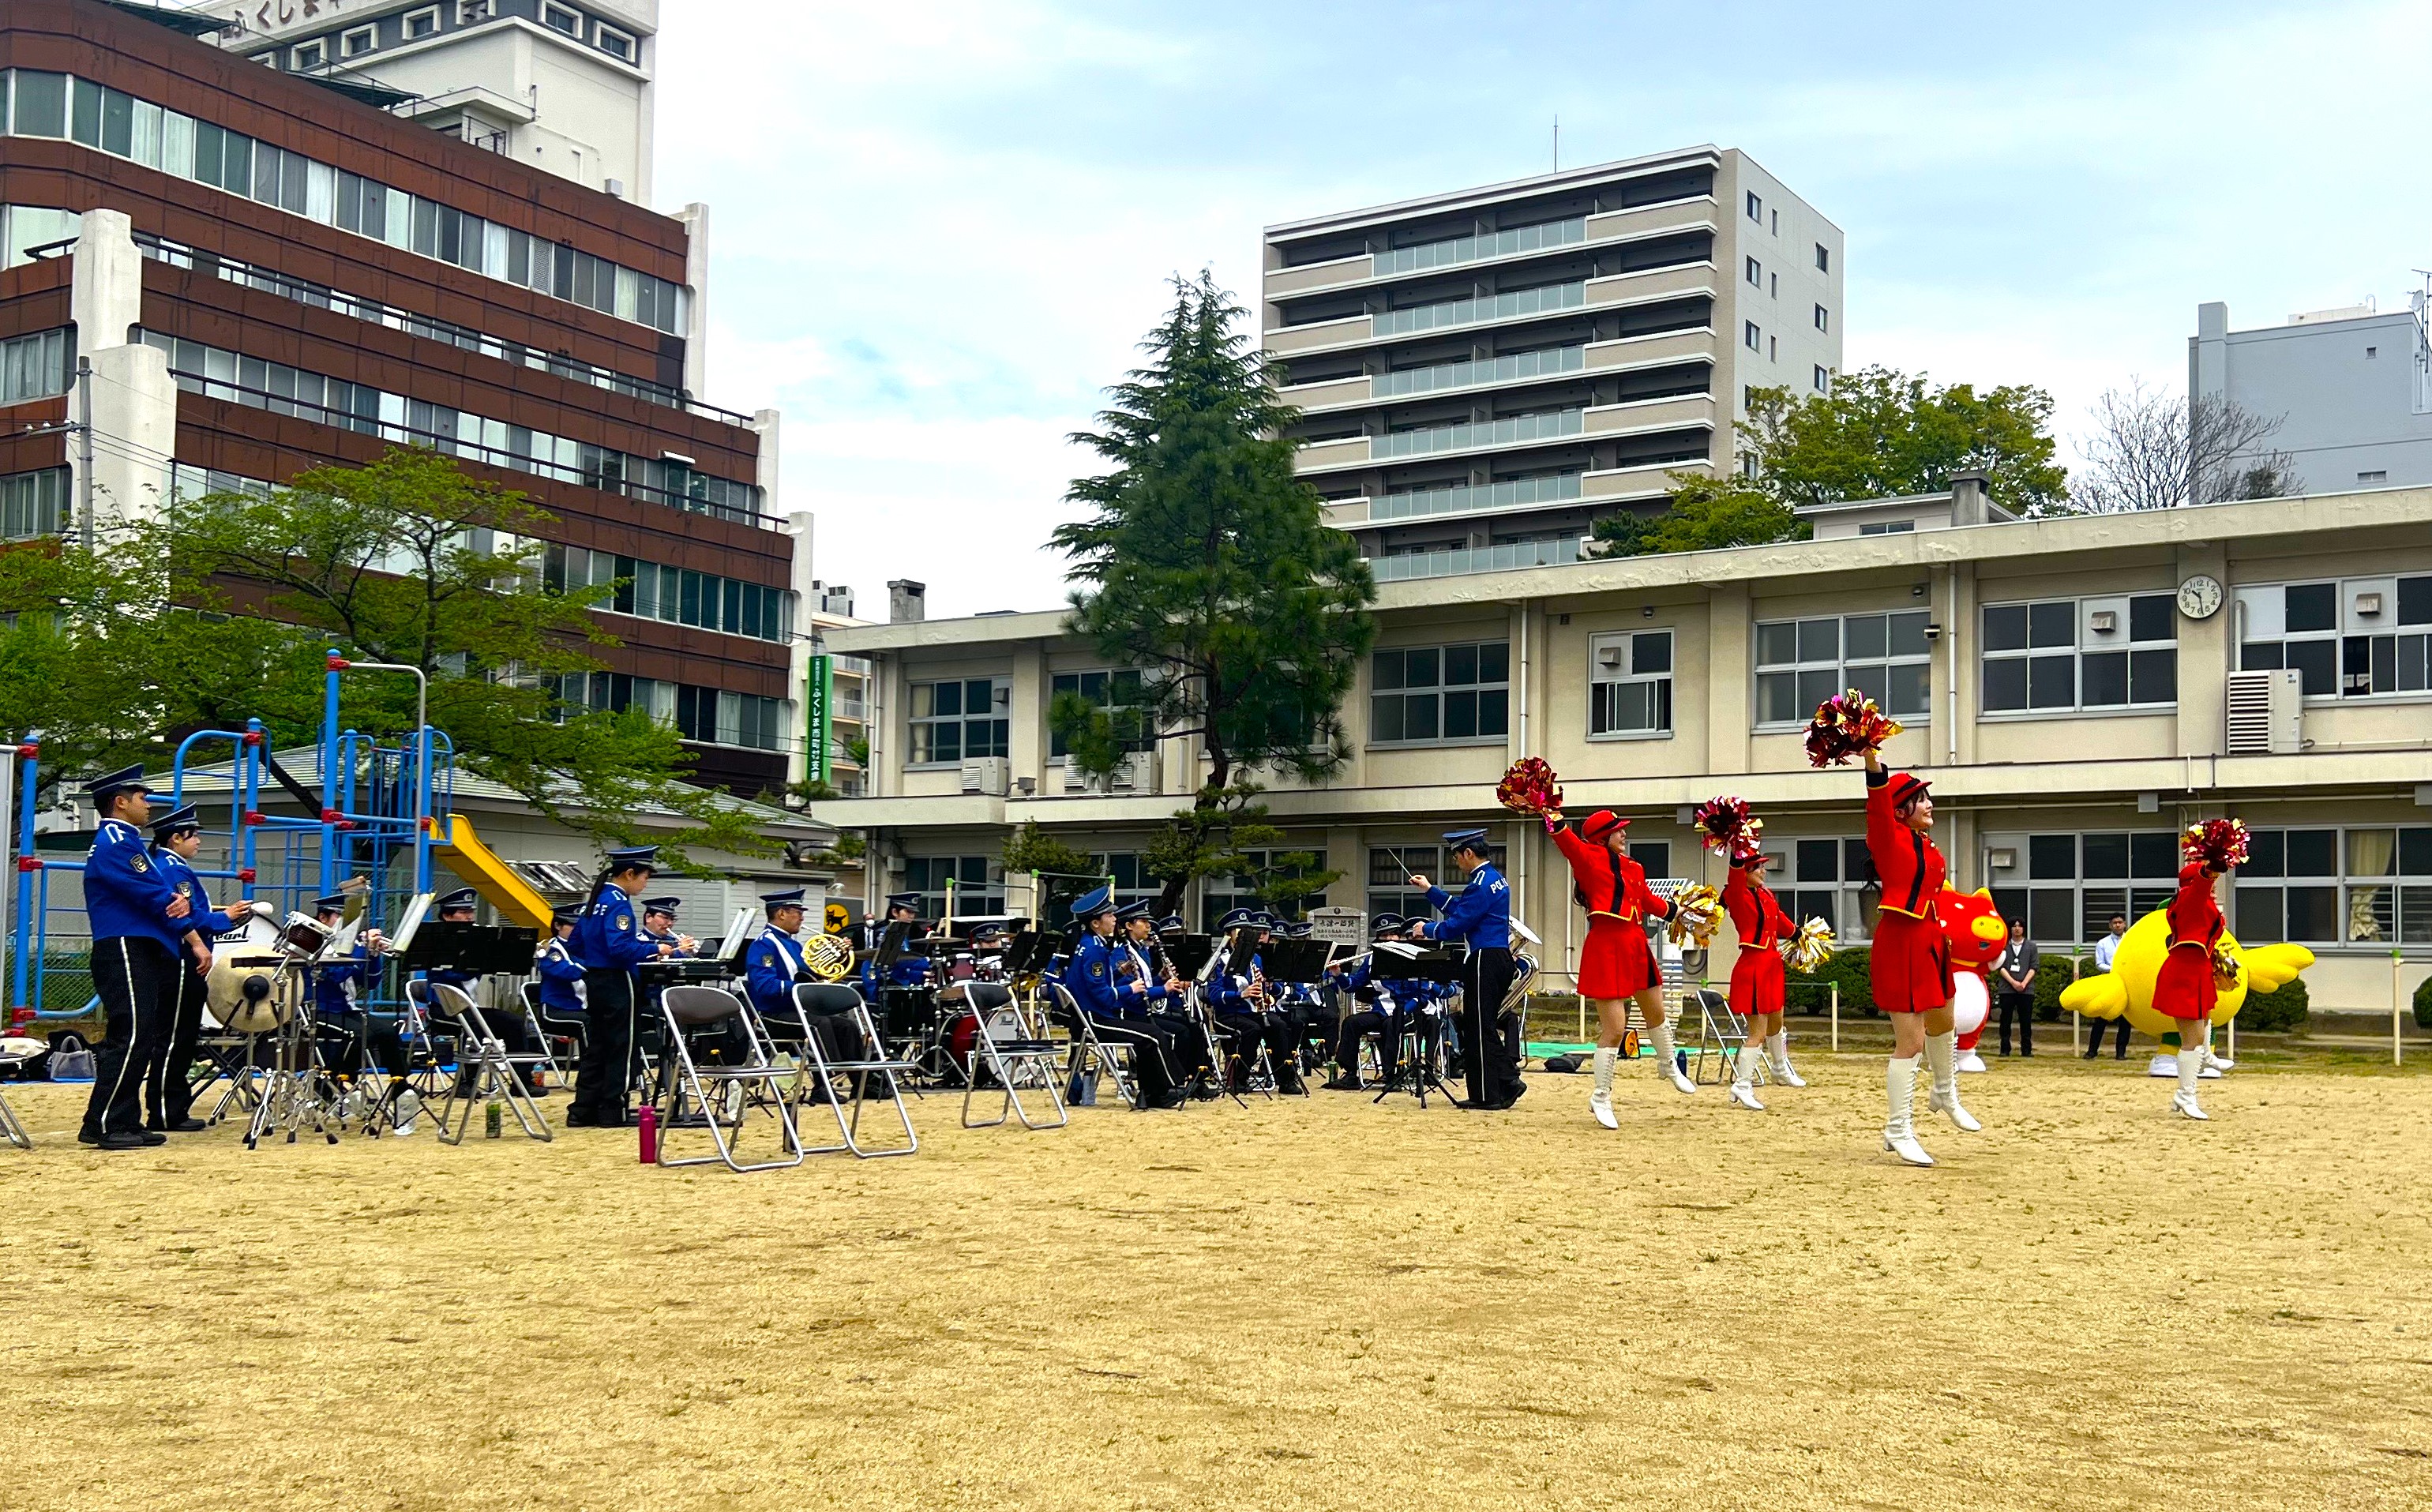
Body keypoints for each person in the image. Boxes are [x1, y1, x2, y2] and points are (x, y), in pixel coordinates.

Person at [1862, 752, 1980, 1166]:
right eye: (1921, 799)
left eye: (1928, 798)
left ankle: (1944, 1091)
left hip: (1931, 936)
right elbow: (1877, 800)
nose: (1930, 805)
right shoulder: (1887, 835)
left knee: (1945, 1018)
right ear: (1900, 810)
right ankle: (1898, 1128)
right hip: (1901, 940)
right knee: (1910, 1042)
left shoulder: (1924, 842)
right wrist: (1871, 756)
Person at [1542, 806, 1687, 1128]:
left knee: (1657, 1011)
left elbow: (1648, 900)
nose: (1624, 834)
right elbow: (1564, 839)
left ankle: (1668, 1064)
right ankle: (1601, 1095)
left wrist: (1678, 911)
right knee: (1615, 1029)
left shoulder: (1633, 867)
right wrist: (1548, 810)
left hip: (1635, 943)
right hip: (1607, 945)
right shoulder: (1587, 858)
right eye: (1618, 830)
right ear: (1601, 837)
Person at [77, 767, 200, 1150]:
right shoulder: (117, 840)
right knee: (130, 1034)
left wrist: (174, 904)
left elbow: (151, 887)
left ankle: (115, 1118)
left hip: (136, 944)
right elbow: (147, 889)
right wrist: (176, 905)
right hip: (124, 944)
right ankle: (110, 1122)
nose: (148, 805)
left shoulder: (124, 840)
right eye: (142, 797)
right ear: (120, 801)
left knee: (140, 1034)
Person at [141, 805, 253, 1132]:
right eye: (194, 836)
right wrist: (225, 918)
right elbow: (184, 915)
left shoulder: (170, 866)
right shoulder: (172, 869)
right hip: (179, 957)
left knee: (182, 1034)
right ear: (176, 839)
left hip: (183, 957)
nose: (199, 842)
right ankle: (165, 1109)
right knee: (175, 1035)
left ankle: (173, 1107)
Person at [1409, 827, 1522, 1110]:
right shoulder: (1493, 879)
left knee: (1479, 1027)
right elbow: (1462, 908)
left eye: (1457, 857)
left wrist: (1427, 929)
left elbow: (1457, 924)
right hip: (1496, 957)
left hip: (1484, 957)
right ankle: (1496, 1088)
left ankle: (1499, 1086)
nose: (1457, 863)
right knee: (1480, 1026)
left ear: (1468, 853)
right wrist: (1430, 891)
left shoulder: (1479, 883)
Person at [567, 846, 676, 1127]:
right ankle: (612, 1107)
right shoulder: (618, 903)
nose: (645, 884)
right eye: (644, 877)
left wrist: (595, 959)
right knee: (622, 1046)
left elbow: (576, 943)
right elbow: (620, 947)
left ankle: (583, 1108)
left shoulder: (595, 900)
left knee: (597, 1046)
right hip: (618, 980)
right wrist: (656, 948)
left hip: (595, 978)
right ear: (629, 874)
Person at [1059, 884, 1184, 1108]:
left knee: (1149, 1034)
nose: (1114, 918)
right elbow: (1102, 995)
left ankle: (1153, 1093)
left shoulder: (1091, 944)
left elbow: (1092, 982)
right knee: (1152, 1035)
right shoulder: (1095, 949)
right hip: (1094, 1019)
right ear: (1096, 923)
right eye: (1109, 915)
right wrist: (1130, 988)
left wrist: (1118, 972)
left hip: (1090, 1015)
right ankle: (1170, 1087)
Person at [746, 887, 867, 1090]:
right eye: (798, 913)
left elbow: (815, 972)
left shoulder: (793, 944)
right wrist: (805, 988)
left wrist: (838, 954)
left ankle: (864, 1083)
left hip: (799, 1011)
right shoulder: (764, 945)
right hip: (773, 1013)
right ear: (782, 913)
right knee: (819, 1024)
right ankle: (825, 1083)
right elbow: (765, 986)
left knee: (847, 1026)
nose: (802, 919)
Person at [307, 891, 407, 1119]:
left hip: (346, 1010)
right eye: (341, 917)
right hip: (317, 1010)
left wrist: (372, 954)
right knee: (358, 1035)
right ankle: (330, 1083)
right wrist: (362, 949)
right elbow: (337, 974)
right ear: (323, 918)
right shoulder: (314, 942)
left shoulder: (348, 944)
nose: (348, 924)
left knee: (387, 1032)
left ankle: (400, 1087)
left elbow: (369, 983)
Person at [1723, 846, 1800, 1112]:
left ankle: (1780, 1068)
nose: (1764, 871)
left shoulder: (1765, 894)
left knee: (1777, 1019)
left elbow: (1779, 920)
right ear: (1746, 872)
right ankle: (1743, 1084)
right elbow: (1733, 875)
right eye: (1758, 868)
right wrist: (1736, 847)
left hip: (1771, 963)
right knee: (1758, 1031)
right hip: (1753, 964)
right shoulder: (1737, 894)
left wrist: (1796, 934)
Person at [2156, 857, 2232, 1120]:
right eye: (2210, 882)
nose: (2213, 886)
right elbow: (2200, 884)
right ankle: (2185, 1095)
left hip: (2197, 968)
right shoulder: (2191, 899)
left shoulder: (2199, 904)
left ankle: (2207, 1056)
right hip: (2184, 972)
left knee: (2206, 1019)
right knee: (2191, 1039)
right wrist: (2213, 861)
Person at [2085, 914, 2132, 1060]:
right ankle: (2092, 1051)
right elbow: (2100, 964)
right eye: (2114, 923)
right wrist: (2115, 969)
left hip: (2127, 984)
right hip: (2109, 982)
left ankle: (2121, 1053)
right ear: (2110, 925)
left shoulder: (2131, 941)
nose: (2117, 925)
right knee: (2100, 1019)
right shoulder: (2103, 943)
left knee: (2125, 1022)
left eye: (2120, 922)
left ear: (2124, 924)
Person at [1995, 918, 2039, 1058]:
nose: (2017, 929)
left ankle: (2026, 1049)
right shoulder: (2003, 946)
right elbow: (2000, 966)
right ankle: (2004, 1048)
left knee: (2025, 1020)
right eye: (2014, 926)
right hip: (2007, 989)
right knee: (2005, 1019)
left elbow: (2034, 967)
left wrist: (2024, 984)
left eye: (2020, 926)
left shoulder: (2031, 946)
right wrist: (2013, 982)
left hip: (2026, 990)